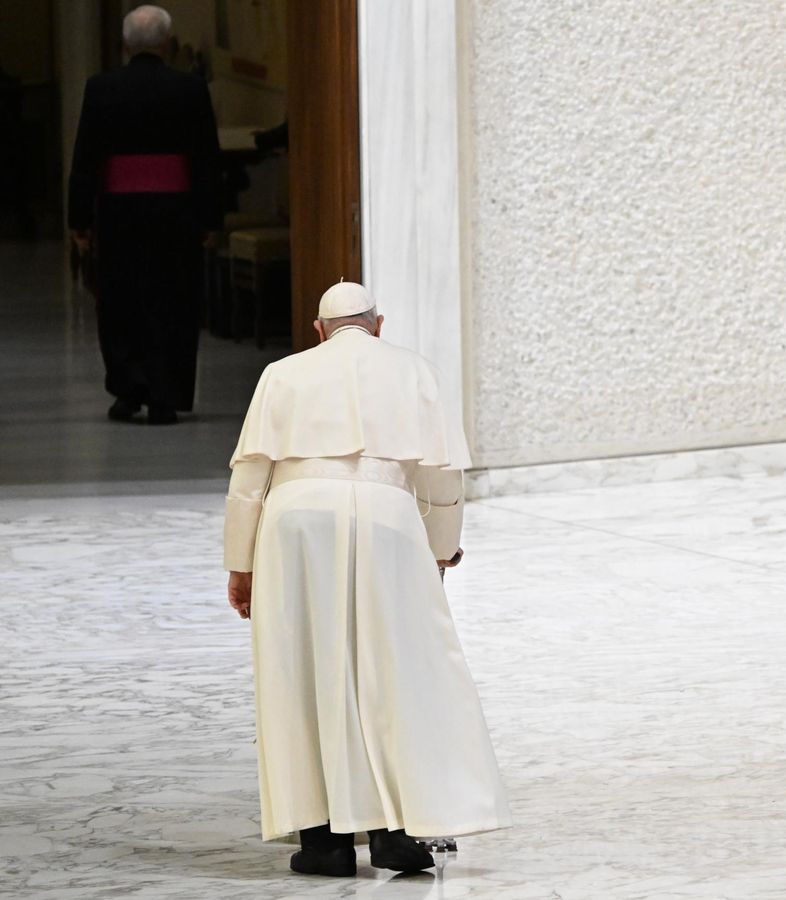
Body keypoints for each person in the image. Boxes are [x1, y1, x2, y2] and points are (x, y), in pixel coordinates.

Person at [224, 282, 510, 876]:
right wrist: (440, 553)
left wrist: (241, 564)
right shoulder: (414, 371)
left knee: (302, 669)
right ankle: (394, 833)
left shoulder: (281, 373)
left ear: (318, 329)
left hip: (293, 523)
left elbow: (250, 478)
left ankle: (324, 841)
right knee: (394, 669)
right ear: (379, 326)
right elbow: (440, 477)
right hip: (385, 516)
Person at [68, 4, 221, 425]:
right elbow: (207, 159)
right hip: (176, 212)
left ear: (124, 45)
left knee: (120, 301)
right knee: (172, 300)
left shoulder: (101, 88)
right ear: (167, 44)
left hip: (119, 212)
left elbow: (85, 159)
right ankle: (165, 396)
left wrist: (79, 220)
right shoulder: (190, 88)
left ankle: (127, 391)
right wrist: (210, 220)